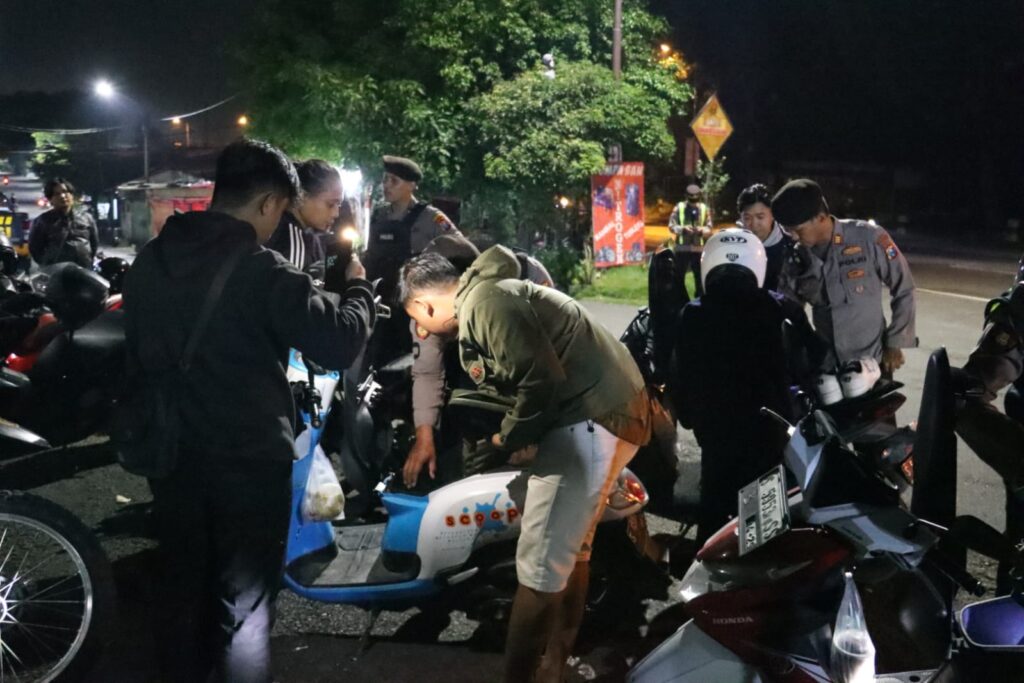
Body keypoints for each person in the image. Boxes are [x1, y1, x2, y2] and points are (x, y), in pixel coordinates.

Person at [122, 139, 374, 683]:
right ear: (267, 203)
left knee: (184, 587)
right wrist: (358, 289)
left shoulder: (149, 261)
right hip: (248, 458)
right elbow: (338, 340)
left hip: (170, 455)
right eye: (279, 210)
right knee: (247, 604)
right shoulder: (263, 270)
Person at [398, 246, 650, 683]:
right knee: (573, 553)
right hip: (612, 415)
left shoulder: (484, 304)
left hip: (591, 419)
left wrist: (506, 438)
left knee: (537, 569)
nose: (421, 331)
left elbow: (540, 381)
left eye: (417, 320)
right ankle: (554, 665)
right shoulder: (493, 293)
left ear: (425, 305)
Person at [672, 228, 825, 544]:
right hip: (770, 433)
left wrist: (691, 417)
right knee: (763, 532)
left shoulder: (693, 313)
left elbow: (680, 374)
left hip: (716, 434)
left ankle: (711, 570)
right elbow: (813, 360)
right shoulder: (782, 308)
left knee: (714, 520)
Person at [402, 236, 554, 489]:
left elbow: (549, 367)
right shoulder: (430, 308)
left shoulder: (528, 281)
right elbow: (428, 372)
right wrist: (424, 434)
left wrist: (536, 438)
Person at [773, 178, 917, 380]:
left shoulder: (868, 238)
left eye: (798, 230)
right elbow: (788, 308)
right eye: (788, 231)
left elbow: (904, 288)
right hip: (828, 369)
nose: (794, 237)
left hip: (872, 364)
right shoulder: (796, 258)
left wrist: (895, 342)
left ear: (821, 217)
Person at [361, 155, 460, 367]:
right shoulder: (378, 215)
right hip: (380, 306)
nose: (386, 185)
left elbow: (458, 245)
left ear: (411, 185)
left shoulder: (431, 217)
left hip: (412, 310)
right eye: (385, 179)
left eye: (394, 181)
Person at [264, 159, 343, 271]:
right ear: (302, 196)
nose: (336, 214)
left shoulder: (306, 234)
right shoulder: (292, 240)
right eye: (330, 204)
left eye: (339, 205)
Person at [28, 177, 98, 268]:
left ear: (72, 195)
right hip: (55, 272)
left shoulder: (87, 218)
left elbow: (94, 244)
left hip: (83, 270)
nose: (62, 196)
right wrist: (48, 263)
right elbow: (35, 249)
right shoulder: (42, 221)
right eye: (57, 194)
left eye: (65, 192)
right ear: (50, 199)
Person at [737, 183, 793, 292]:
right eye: (747, 218)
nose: (754, 224)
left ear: (773, 214)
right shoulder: (733, 246)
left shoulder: (790, 246)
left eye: (760, 217)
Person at [668, 183, 712, 299]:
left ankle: (700, 302)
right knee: (678, 278)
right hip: (682, 249)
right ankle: (678, 301)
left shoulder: (704, 209)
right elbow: (671, 226)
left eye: (695, 199)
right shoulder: (679, 207)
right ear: (686, 197)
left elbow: (709, 228)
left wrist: (701, 230)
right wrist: (683, 229)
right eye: (691, 199)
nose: (693, 202)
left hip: (699, 250)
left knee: (700, 280)